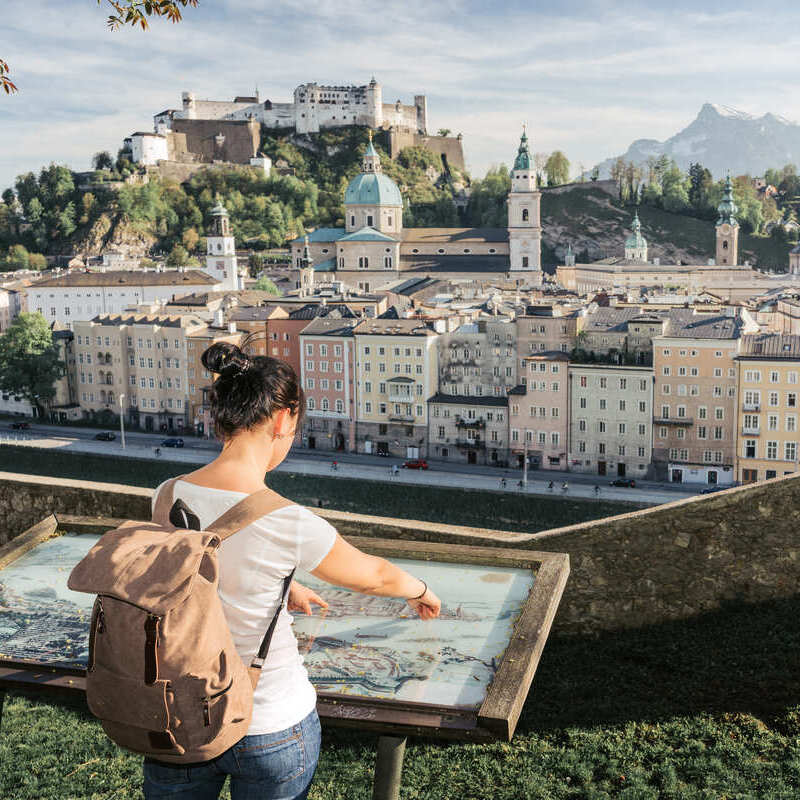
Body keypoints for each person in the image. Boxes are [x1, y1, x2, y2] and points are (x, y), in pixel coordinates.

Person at [145, 342, 441, 800]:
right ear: (283, 419)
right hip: (269, 722)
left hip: (178, 715)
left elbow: (192, 570)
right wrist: (419, 588)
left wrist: (283, 583)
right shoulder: (287, 520)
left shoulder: (165, 494)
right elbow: (373, 576)